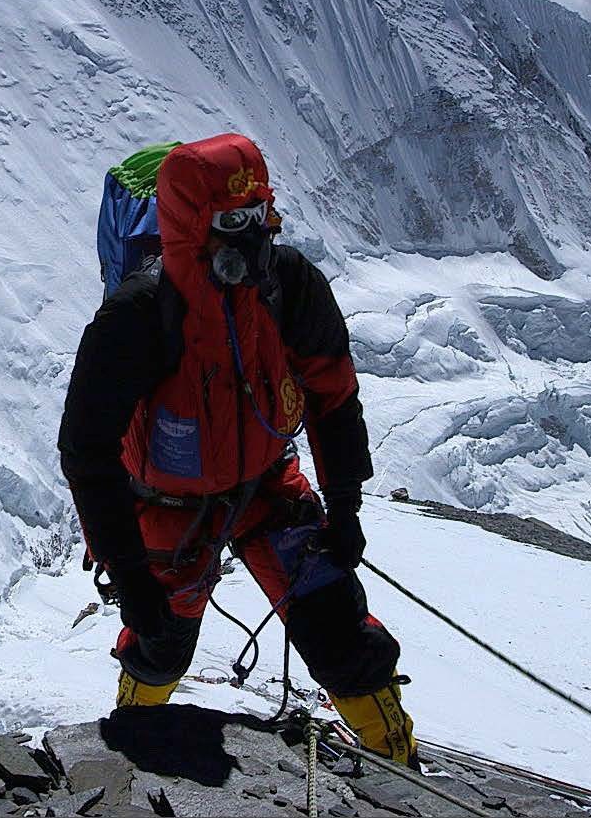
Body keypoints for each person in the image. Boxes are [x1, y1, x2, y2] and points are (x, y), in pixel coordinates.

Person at [57, 132, 417, 765]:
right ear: (192, 227)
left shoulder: (288, 285)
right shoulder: (136, 317)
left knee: (335, 627)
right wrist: (128, 571)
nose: (249, 240)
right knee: (160, 641)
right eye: (232, 223)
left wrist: (345, 505)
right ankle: (130, 754)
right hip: (166, 505)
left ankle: (398, 762)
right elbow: (87, 450)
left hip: (266, 486)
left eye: (256, 220)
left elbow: (332, 395)